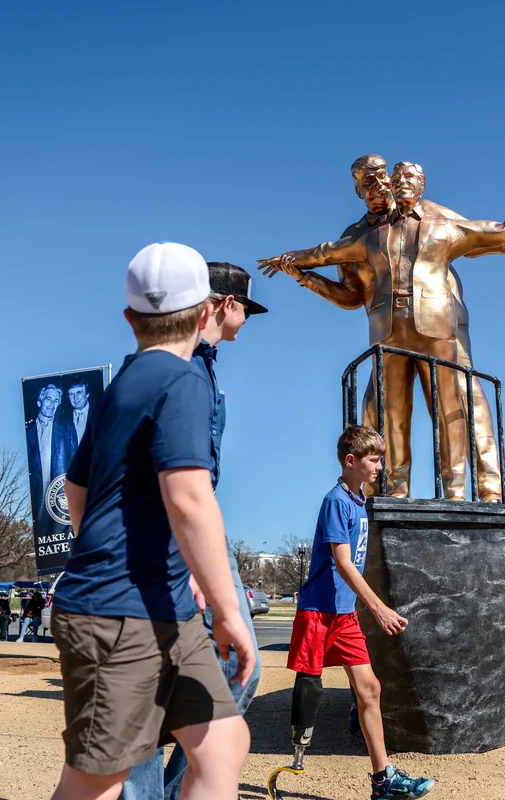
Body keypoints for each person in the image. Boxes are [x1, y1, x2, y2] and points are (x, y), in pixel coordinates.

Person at [48, 242, 255, 800]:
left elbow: (75, 488)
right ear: (207, 311)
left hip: (158, 604)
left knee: (223, 743)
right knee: (96, 782)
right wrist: (228, 611)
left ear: (129, 316)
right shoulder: (182, 379)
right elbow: (189, 498)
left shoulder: (123, 383)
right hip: (117, 612)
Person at [120, 259, 268, 800]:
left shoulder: (200, 365)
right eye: (246, 308)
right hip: (173, 524)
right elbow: (181, 483)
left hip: (189, 523)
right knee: (160, 681)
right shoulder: (178, 369)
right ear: (225, 305)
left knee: (233, 670)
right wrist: (184, 555)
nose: (247, 320)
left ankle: (175, 787)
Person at [282, 155, 505, 501]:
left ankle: (487, 492)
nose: (377, 187)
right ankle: (386, 495)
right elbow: (351, 296)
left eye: (380, 177)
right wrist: (306, 279)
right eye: (366, 182)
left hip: (439, 323)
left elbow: (476, 238)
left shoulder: (428, 212)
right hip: (389, 332)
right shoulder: (356, 236)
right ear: (357, 190)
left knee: (462, 400)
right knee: (379, 408)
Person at [285, 424, 434, 800]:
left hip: (344, 614)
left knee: (370, 689)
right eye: (374, 459)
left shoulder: (359, 501)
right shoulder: (336, 501)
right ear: (350, 461)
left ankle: (383, 781)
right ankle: (295, 755)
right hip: (318, 613)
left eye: (381, 459)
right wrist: (379, 608)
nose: (380, 466)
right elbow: (342, 562)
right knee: (308, 691)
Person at [25, 382, 62, 530]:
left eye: (56, 401)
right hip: (34, 493)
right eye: (48, 399)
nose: (52, 404)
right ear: (39, 401)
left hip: (59, 492)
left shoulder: (66, 429)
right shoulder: (28, 430)